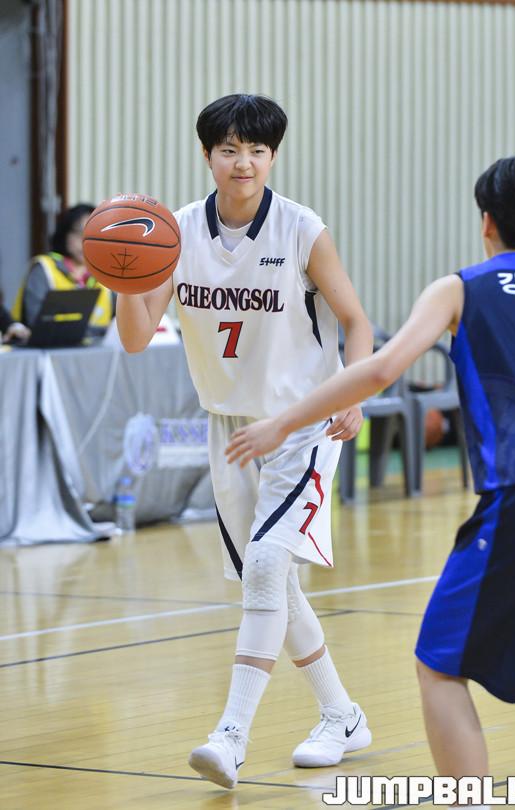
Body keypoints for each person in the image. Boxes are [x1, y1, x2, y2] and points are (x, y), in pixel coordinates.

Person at [226, 154, 515, 809]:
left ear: (486, 222)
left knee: (439, 666)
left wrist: (283, 423)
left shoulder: (462, 288)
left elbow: (377, 371)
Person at [115, 93, 374, 789]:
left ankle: (230, 736)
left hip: (303, 420)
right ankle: (342, 715)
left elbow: (356, 321)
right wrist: (124, 276)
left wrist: (353, 391)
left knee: (263, 569)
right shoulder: (175, 233)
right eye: (230, 149)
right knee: (275, 583)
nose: (244, 162)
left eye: (258, 150)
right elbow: (136, 339)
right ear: (207, 155)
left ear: (273, 156)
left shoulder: (302, 229)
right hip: (230, 429)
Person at [12, 203, 114, 330]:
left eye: (93, 235)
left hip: (98, 344)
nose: (84, 241)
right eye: (79, 233)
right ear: (65, 233)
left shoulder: (106, 274)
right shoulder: (44, 268)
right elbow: (34, 322)